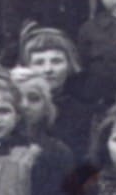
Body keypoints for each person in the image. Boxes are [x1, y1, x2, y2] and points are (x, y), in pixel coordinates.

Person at [18, 26, 97, 166]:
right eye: (39, 63)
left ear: (69, 64)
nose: (48, 69)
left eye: (56, 61)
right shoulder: (19, 106)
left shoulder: (83, 112)